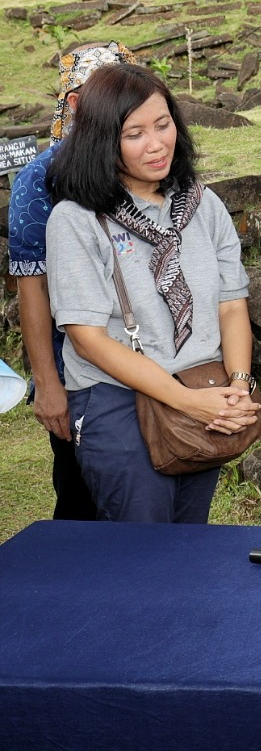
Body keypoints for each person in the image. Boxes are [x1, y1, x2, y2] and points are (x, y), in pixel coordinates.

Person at [45, 63, 259, 523]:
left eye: (163, 125)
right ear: (102, 140)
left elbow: (232, 304)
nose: (157, 144)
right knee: (142, 552)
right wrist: (186, 402)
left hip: (204, 389)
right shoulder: (77, 219)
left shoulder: (203, 205)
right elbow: (88, 338)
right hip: (119, 404)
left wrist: (238, 385)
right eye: (134, 134)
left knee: (190, 540)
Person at [9, 41, 137, 521]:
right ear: (77, 103)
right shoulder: (41, 180)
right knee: (84, 498)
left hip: (163, 364)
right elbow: (33, 290)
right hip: (82, 372)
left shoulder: (150, 161)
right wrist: (48, 384)